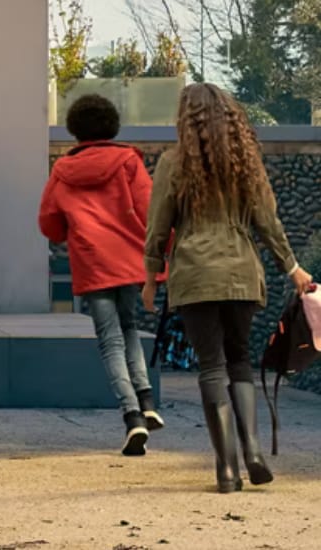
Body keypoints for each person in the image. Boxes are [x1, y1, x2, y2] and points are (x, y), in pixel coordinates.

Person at [143, 82, 315, 493]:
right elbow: (268, 223)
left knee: (211, 367)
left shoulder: (173, 163)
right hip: (241, 273)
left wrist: (150, 278)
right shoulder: (245, 162)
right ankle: (253, 452)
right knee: (239, 361)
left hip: (195, 274)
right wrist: (292, 268)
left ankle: (226, 470)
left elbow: (158, 228)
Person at [38, 94, 165, 456]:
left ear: (75, 129)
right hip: (129, 259)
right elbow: (151, 210)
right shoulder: (128, 162)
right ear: (111, 125)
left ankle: (132, 416)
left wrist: (71, 229)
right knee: (129, 328)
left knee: (109, 340)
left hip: (93, 263)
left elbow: (49, 223)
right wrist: (162, 251)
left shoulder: (64, 171)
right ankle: (146, 399)